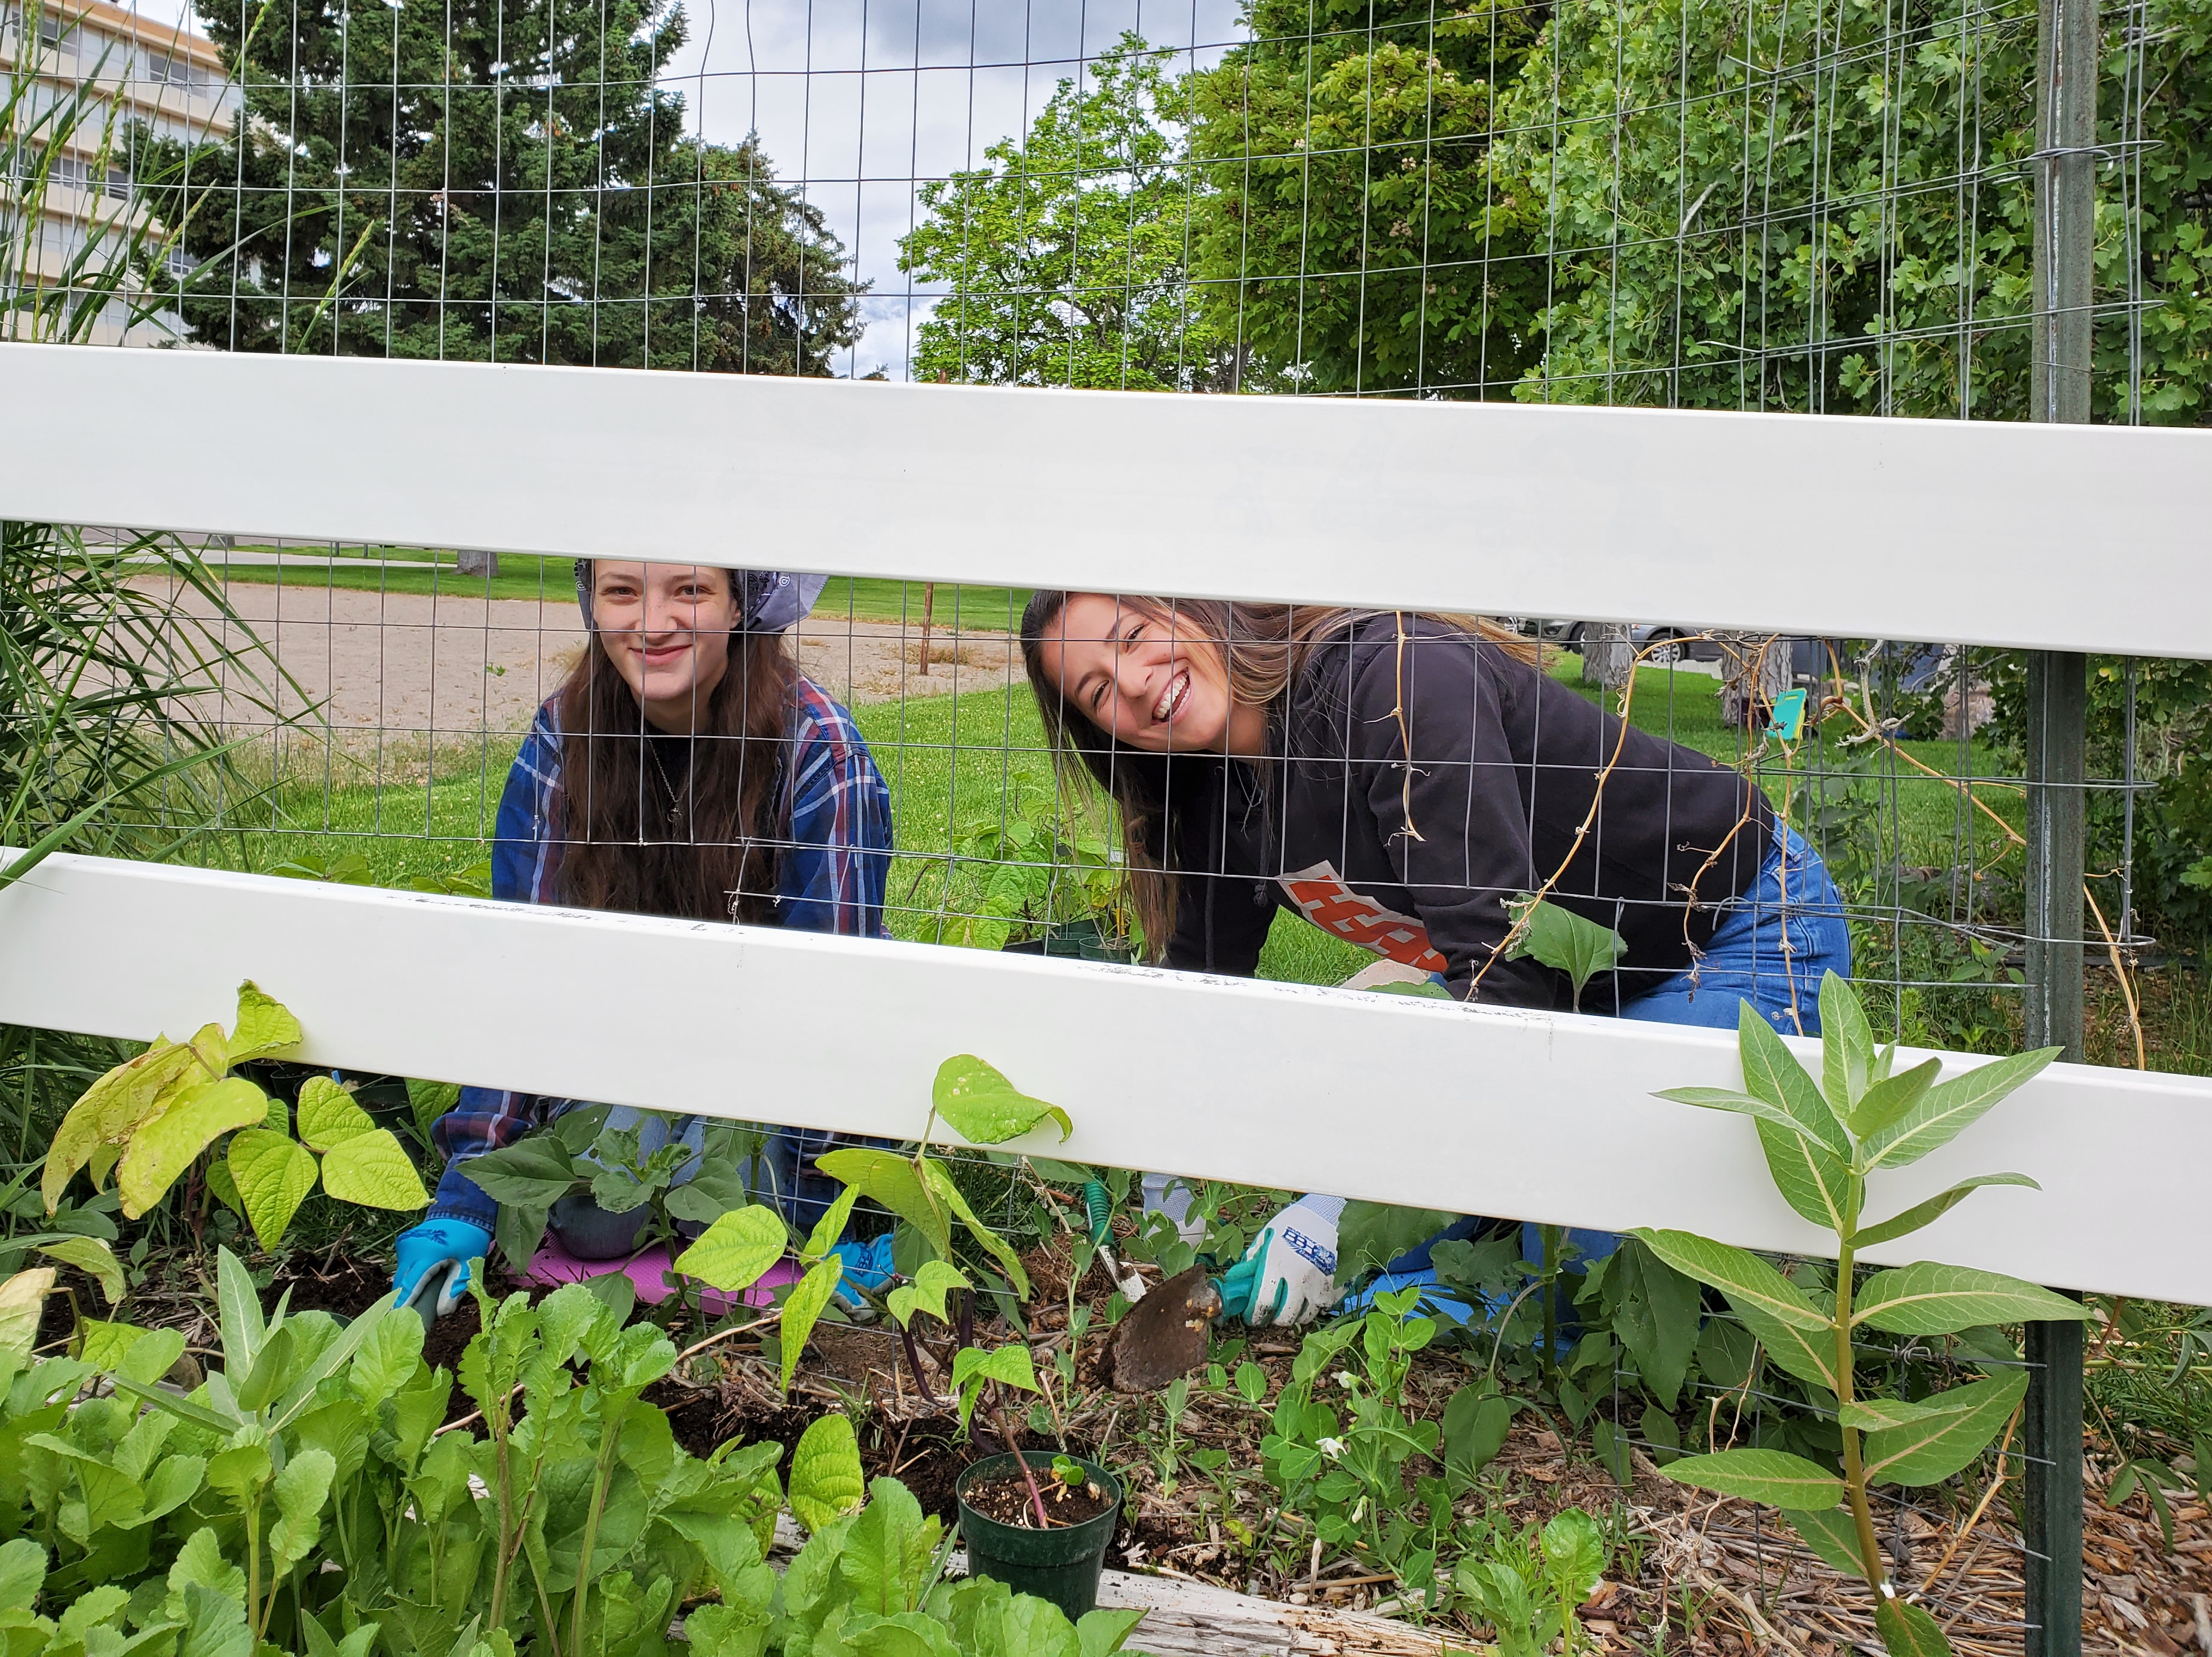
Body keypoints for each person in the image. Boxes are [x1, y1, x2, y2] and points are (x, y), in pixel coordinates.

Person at [1022, 593, 1850, 1327]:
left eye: (1132, 637)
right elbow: (1199, 995)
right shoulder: (1209, 793)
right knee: (1404, 1261)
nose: (1131, 685)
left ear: (1195, 607)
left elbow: (1505, 980)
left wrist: (1342, 1203)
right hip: (1565, 994)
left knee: (1587, 1279)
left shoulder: (1393, 679)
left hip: (1733, 935)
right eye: (1096, 692)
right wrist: (1170, 1184)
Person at [388, 560, 895, 1316]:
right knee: (596, 1222)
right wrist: (468, 1199)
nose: (652, 623)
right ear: (590, 603)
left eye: (689, 591)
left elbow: (832, 1006)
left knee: (715, 1212)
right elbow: (518, 976)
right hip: (627, 1059)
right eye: (622, 591)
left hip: (773, 1083)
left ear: (742, 603)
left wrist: (824, 1216)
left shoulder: (819, 750)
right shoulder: (563, 738)